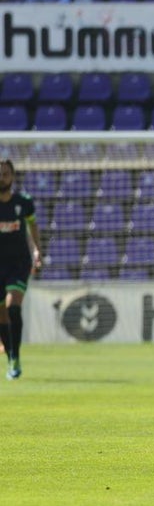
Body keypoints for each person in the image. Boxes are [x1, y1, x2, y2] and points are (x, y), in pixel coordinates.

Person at [0, 159, 43, 380]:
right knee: (1, 316)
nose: (2, 178)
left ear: (13, 176)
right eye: (0, 174)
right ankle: (10, 357)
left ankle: (15, 356)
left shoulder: (23, 202)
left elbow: (33, 224)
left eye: (5, 174)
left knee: (13, 307)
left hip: (18, 263)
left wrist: (37, 251)